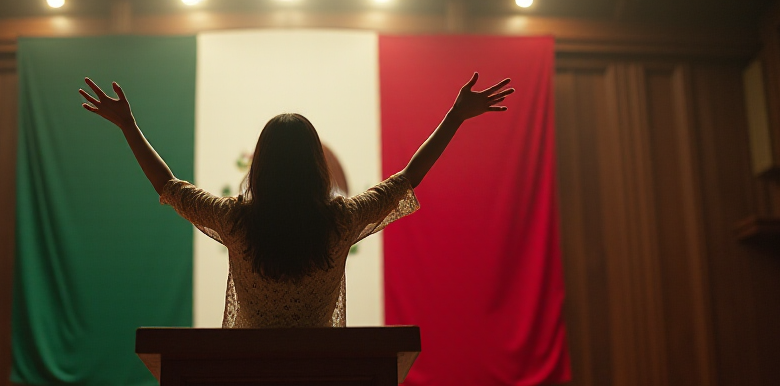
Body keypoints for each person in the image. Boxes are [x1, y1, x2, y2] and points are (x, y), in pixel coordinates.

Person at [79, 73, 513, 328]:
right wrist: (455, 116)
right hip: (323, 372)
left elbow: (168, 186)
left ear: (260, 166)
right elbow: (409, 178)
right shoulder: (342, 220)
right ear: (317, 167)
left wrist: (128, 125)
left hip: (246, 375)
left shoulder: (235, 220)